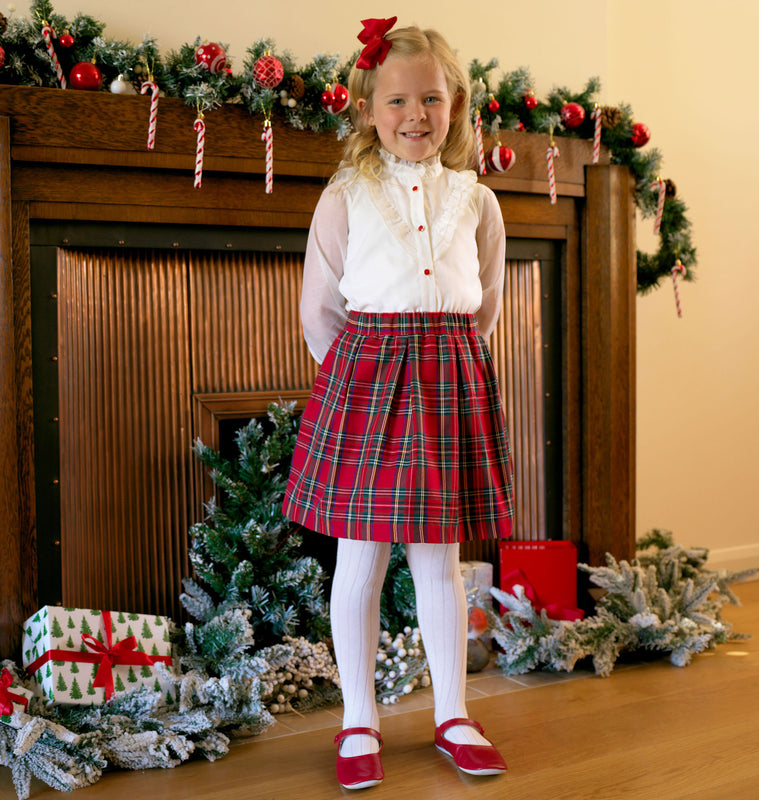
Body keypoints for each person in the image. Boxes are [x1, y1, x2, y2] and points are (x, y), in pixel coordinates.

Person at [282, 16, 514, 791]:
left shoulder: (477, 201)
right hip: (367, 379)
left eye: (433, 99)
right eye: (397, 101)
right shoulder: (345, 197)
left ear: (456, 107)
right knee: (362, 558)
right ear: (367, 110)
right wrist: (359, 378)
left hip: (447, 375)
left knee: (439, 561)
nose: (416, 115)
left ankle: (453, 712)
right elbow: (320, 309)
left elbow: (484, 303)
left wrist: (446, 361)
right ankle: (359, 720)